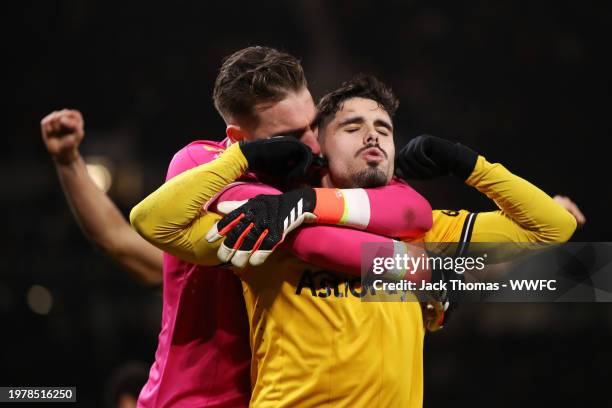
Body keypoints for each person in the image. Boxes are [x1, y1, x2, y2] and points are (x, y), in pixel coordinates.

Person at [131, 74, 577, 406]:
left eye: (384, 128)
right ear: (318, 147)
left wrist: (466, 163)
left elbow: (552, 228)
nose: (373, 136)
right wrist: (241, 158)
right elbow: (153, 222)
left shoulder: (421, 227)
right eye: (353, 127)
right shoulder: (270, 223)